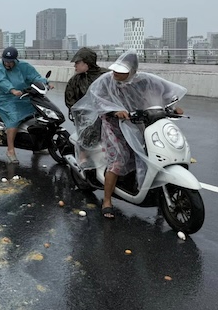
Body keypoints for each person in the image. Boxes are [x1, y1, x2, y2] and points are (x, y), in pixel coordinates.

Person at [71, 50, 186, 219]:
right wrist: (114, 110)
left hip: (137, 122)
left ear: (132, 72)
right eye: (116, 69)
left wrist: (172, 107)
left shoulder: (144, 80)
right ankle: (107, 200)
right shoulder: (105, 81)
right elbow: (96, 99)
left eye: (122, 72)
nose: (116, 73)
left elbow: (163, 93)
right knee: (118, 160)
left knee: (148, 152)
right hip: (113, 124)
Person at [0, 46, 51, 164]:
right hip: (6, 99)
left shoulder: (24, 66)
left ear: (15, 59)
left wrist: (45, 82)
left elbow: (35, 77)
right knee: (14, 119)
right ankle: (10, 150)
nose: (7, 63)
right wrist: (12, 90)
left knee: (38, 115)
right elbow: (2, 81)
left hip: (24, 96)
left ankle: (37, 146)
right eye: (5, 60)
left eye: (10, 61)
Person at [64, 47, 110, 112]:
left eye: (77, 63)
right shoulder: (75, 80)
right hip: (84, 118)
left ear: (87, 63)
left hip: (106, 117)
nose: (75, 66)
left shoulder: (106, 76)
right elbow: (70, 101)